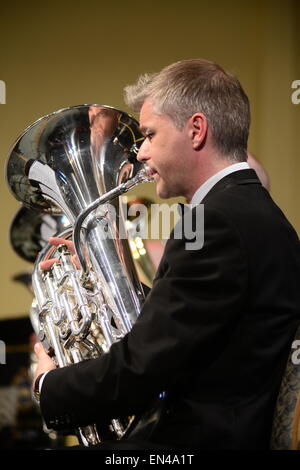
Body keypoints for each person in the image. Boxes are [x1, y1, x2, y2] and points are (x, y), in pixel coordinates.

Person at [33, 58, 300, 450]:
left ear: (196, 130)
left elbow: (142, 369)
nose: (139, 153)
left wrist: (49, 385)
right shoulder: (245, 211)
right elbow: (191, 329)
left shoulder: (217, 223)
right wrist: (105, 277)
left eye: (149, 134)